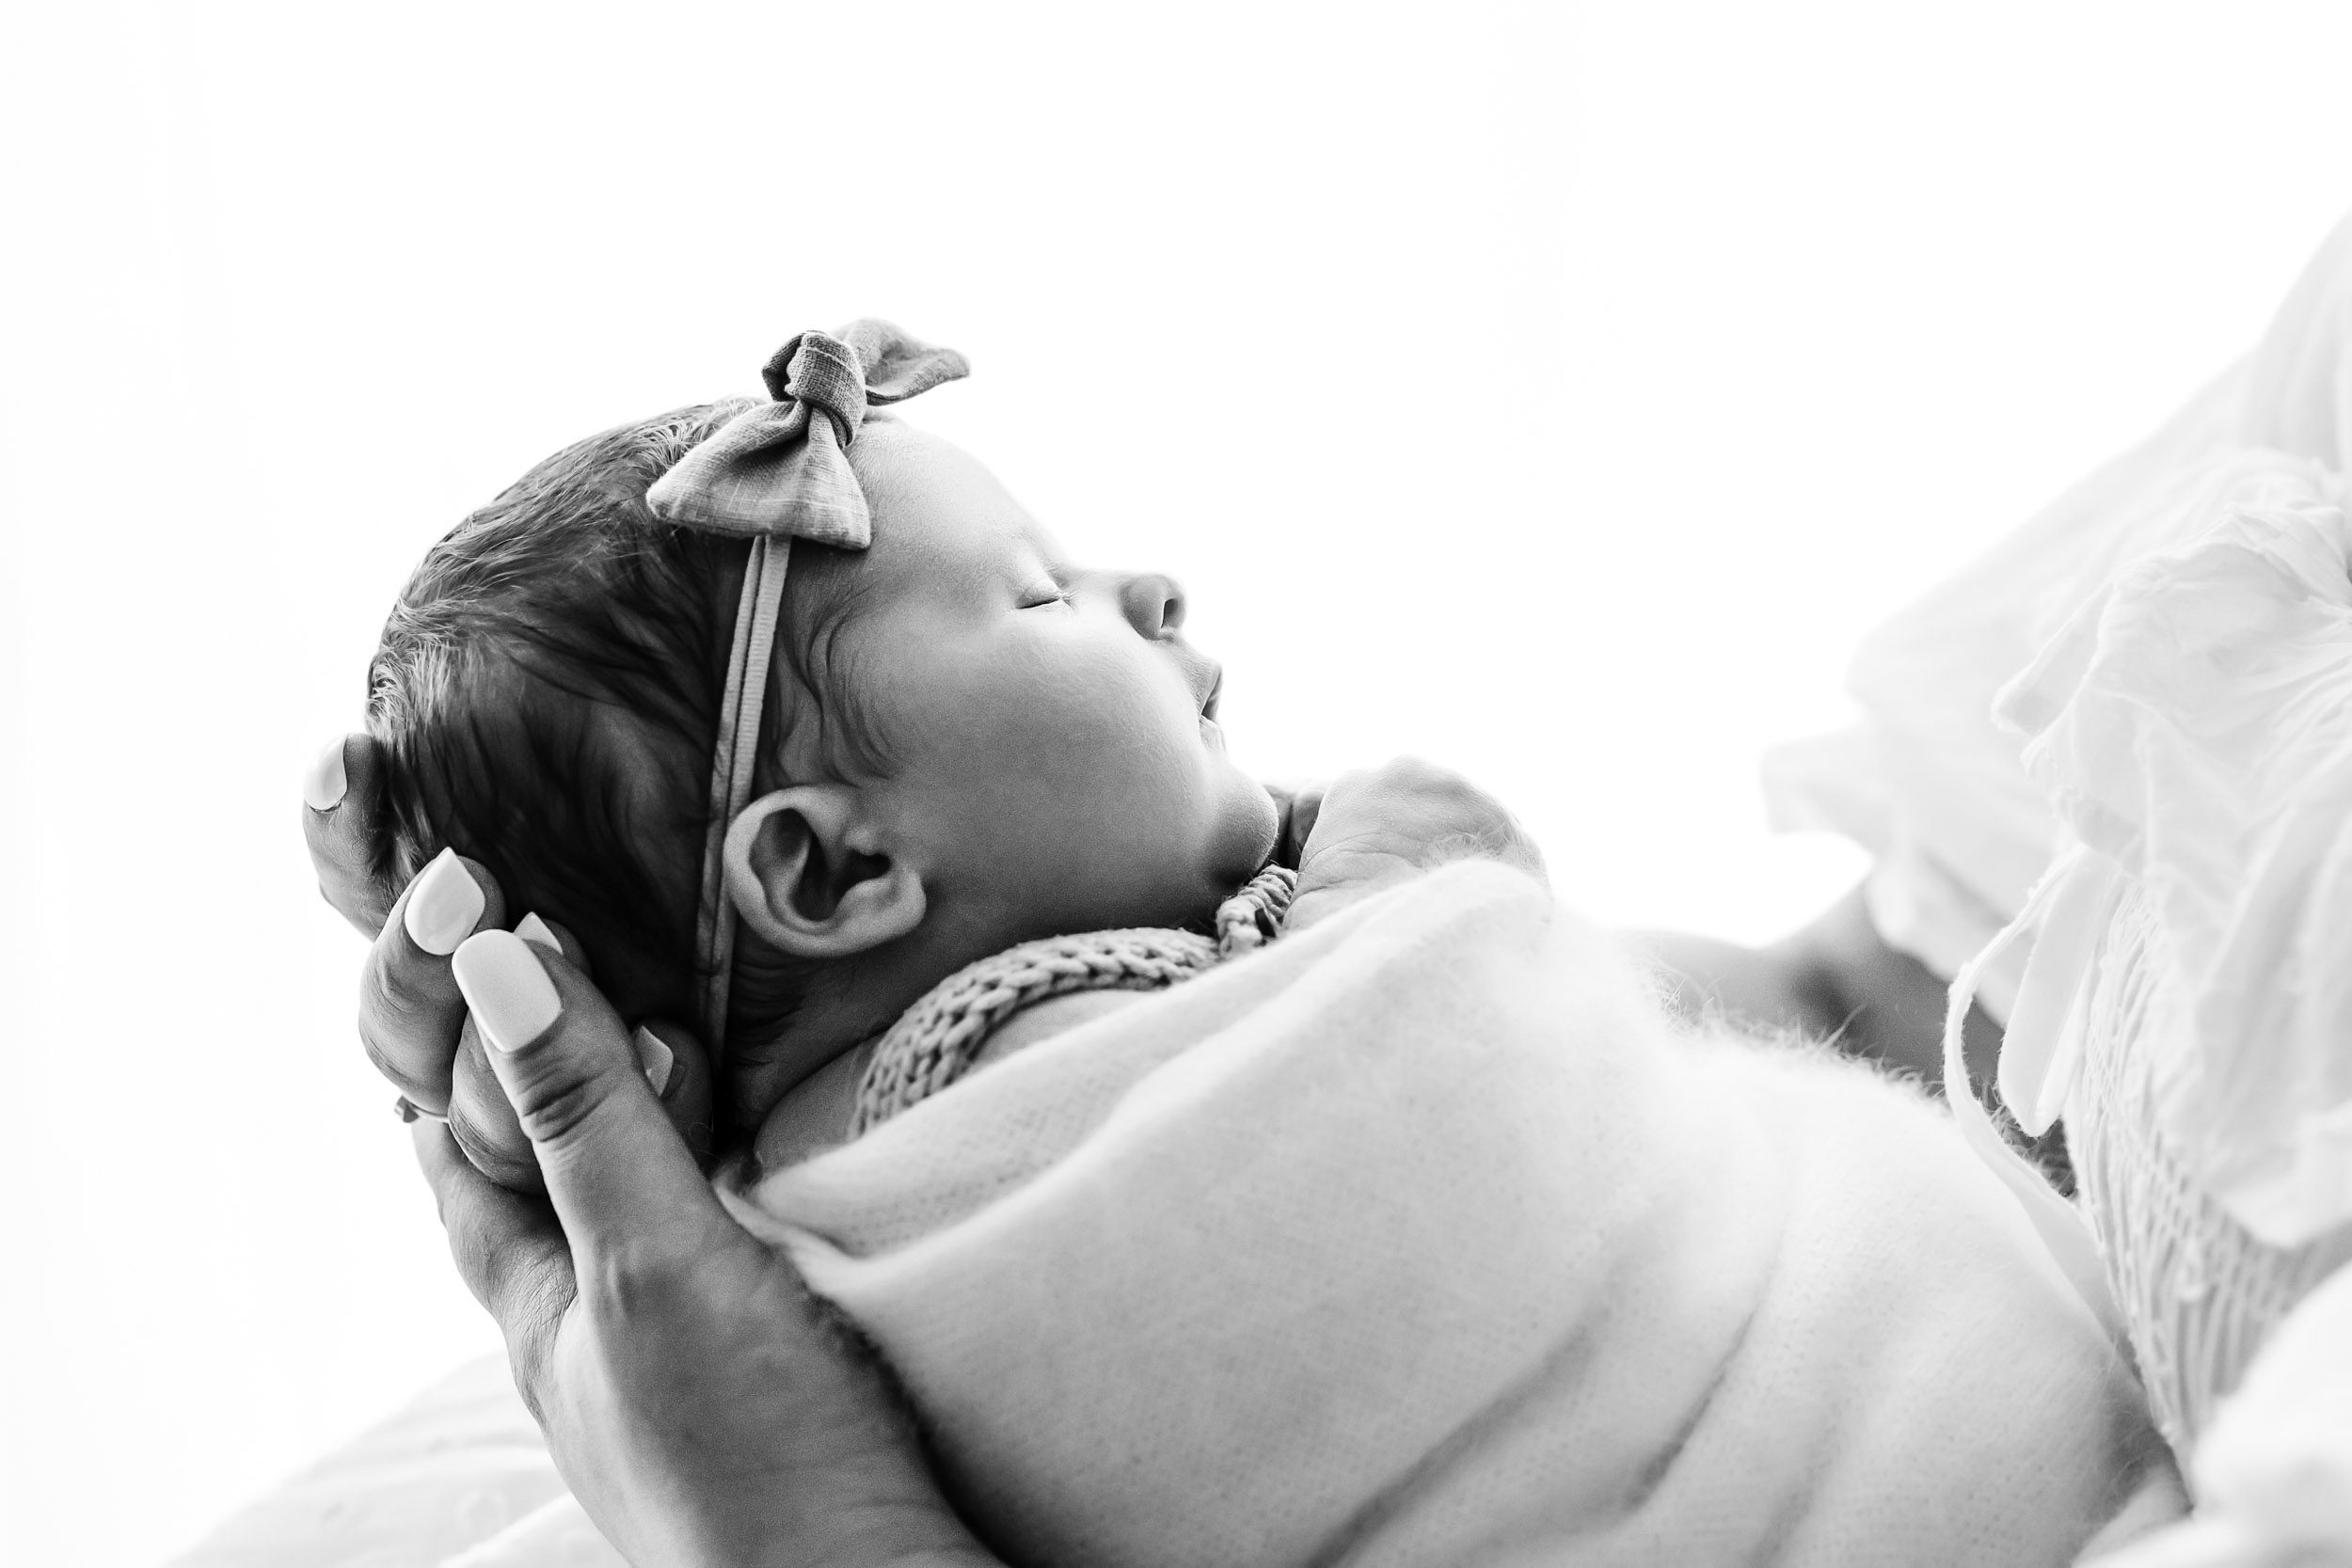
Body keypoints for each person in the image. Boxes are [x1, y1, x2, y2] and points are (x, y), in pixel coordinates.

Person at [265, 320, 2185, 1566]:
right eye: (1039, 596)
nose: (1146, 585)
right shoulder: (1231, 1040)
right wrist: (1391, 845)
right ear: (836, 878)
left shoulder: (760, 1268)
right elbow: (1447, 1052)